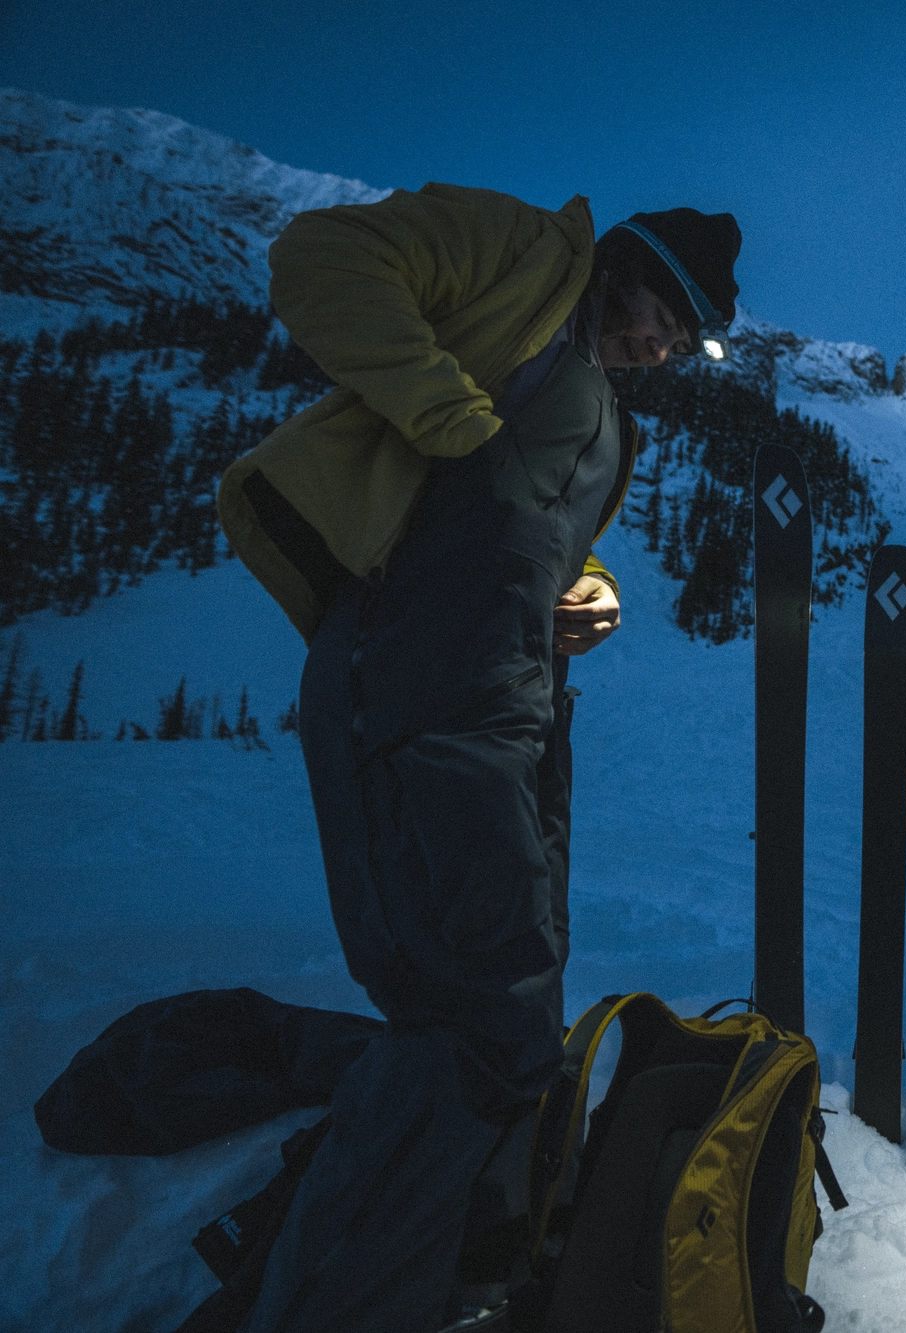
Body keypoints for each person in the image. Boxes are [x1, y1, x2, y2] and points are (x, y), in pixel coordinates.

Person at [215, 184, 741, 1332]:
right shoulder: (517, 256)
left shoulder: (613, 415)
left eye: (683, 339)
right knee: (478, 1011)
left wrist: (589, 594)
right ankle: (350, 1299)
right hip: (410, 677)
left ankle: (461, 1265)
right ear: (625, 263)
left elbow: (547, 539)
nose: (661, 346)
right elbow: (320, 257)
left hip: (514, 708)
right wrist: (448, 416)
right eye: (665, 311)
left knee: (514, 987)